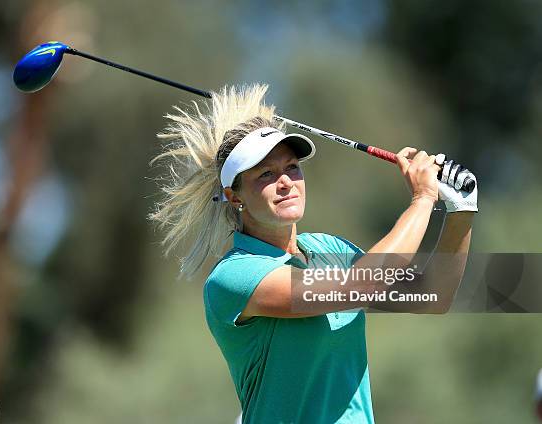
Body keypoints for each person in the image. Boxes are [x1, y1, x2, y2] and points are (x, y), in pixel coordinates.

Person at [149, 84, 477, 423]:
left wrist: (462, 209)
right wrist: (423, 199)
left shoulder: (328, 249)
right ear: (235, 197)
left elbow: (432, 294)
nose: (286, 182)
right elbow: (362, 285)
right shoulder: (235, 277)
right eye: (266, 174)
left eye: (292, 167)